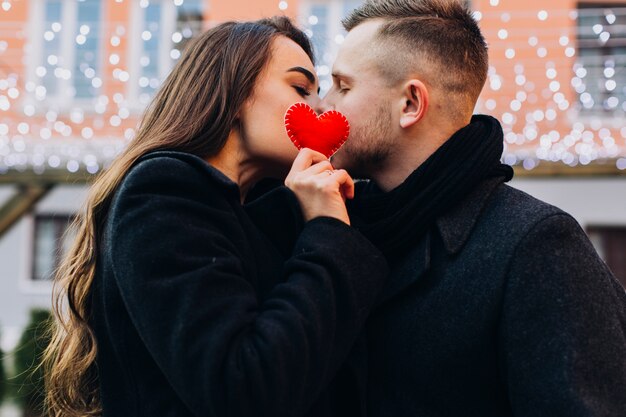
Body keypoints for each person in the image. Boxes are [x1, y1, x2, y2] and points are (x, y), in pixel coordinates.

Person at [42, 17, 388, 417]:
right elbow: (243, 387)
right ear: (235, 91)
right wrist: (328, 232)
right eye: (301, 88)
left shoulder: (262, 213)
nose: (322, 106)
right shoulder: (163, 191)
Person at [311, 0, 626, 415]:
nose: (321, 103)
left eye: (343, 85)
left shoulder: (536, 245)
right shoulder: (338, 224)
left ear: (410, 104)